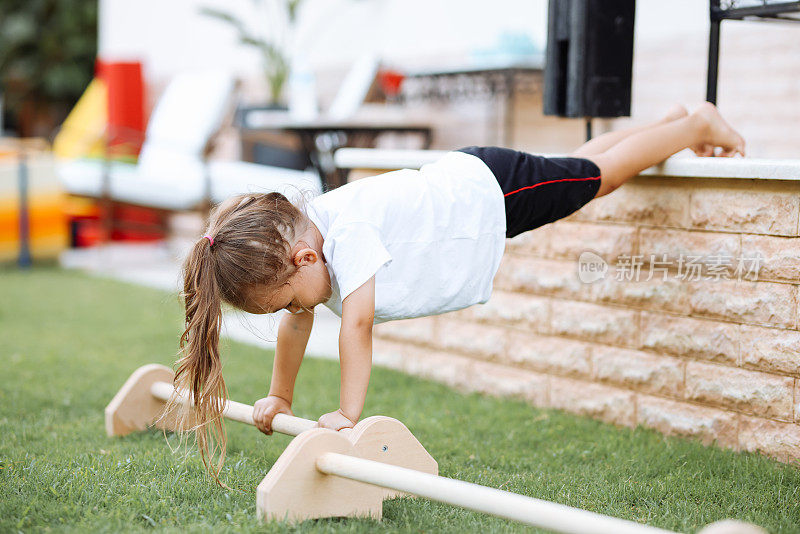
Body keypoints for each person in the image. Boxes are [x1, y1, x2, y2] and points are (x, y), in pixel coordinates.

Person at [173, 102, 745, 476]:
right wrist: (282, 397)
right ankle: (669, 123)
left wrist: (349, 414)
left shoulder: (348, 237)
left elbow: (358, 324)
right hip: (473, 184)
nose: (301, 310)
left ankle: (694, 126)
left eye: (295, 297)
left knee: (599, 178)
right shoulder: (314, 240)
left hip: (491, 192)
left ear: (304, 256)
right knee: (580, 167)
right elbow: (296, 324)